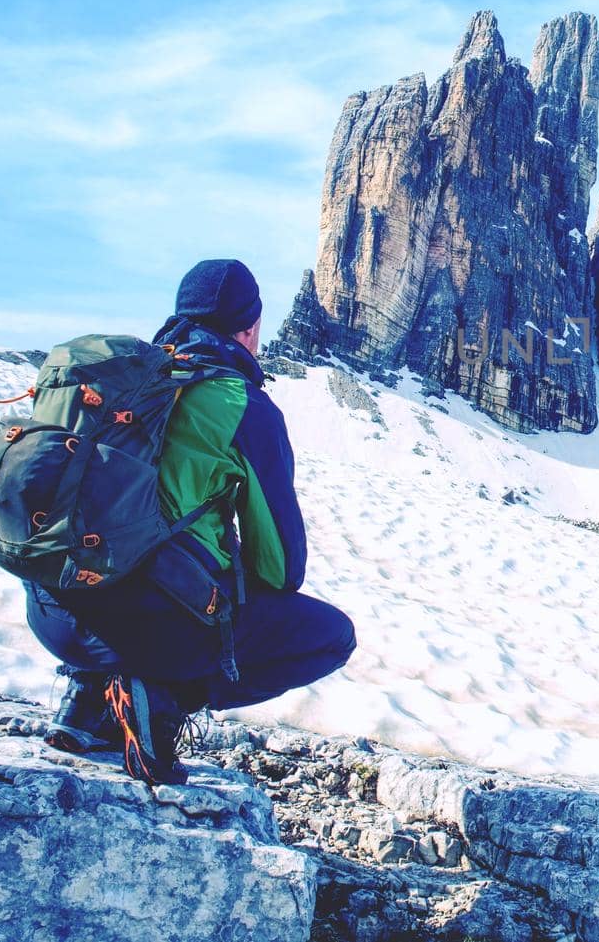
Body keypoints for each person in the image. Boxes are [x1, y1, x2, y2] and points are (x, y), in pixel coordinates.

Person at [24, 258, 356, 784]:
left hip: (52, 611)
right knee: (332, 636)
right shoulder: (239, 403)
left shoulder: (123, 381)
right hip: (150, 625)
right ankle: (162, 696)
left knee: (122, 560)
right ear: (249, 328)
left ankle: (90, 700)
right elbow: (280, 568)